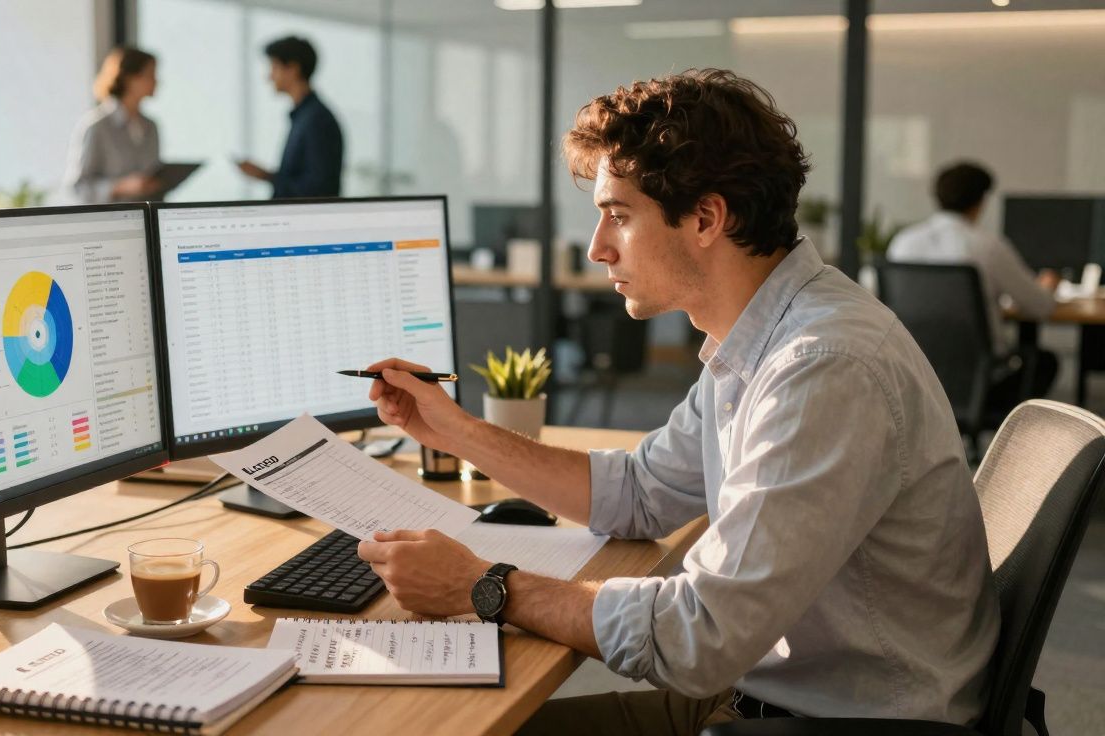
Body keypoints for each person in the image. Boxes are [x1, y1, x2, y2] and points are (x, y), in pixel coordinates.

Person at [356, 69, 999, 734]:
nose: (597, 248)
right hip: (769, 693)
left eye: (618, 216)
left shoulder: (820, 368)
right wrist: (455, 429)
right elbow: (638, 492)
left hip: (836, 720)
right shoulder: (757, 333)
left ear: (706, 218)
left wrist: (485, 586)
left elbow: (700, 637)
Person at [888, 161, 1060, 407]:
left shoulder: (902, 244)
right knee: (1045, 362)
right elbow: (1041, 307)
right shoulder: (988, 247)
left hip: (914, 376)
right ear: (981, 201)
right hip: (980, 383)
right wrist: (1048, 286)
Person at [236, 36, 344, 199]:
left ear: (293, 69)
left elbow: (318, 189)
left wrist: (267, 176)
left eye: (274, 66)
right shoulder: (304, 117)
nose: (269, 76)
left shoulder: (317, 120)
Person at [63, 47, 162, 203]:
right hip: (110, 222)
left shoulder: (151, 127)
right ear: (129, 78)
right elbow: (78, 188)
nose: (157, 81)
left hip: (146, 220)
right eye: (150, 75)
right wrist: (119, 186)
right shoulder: (96, 126)